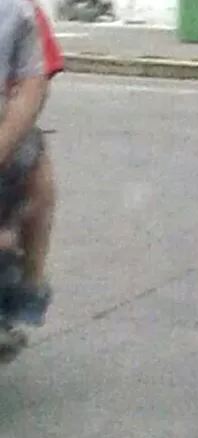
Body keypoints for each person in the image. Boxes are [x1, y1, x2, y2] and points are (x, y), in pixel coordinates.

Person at [0, 0, 58, 327]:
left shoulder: (17, 10)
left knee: (36, 164)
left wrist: (4, 143)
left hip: (4, 131)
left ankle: (31, 284)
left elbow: (35, 85)